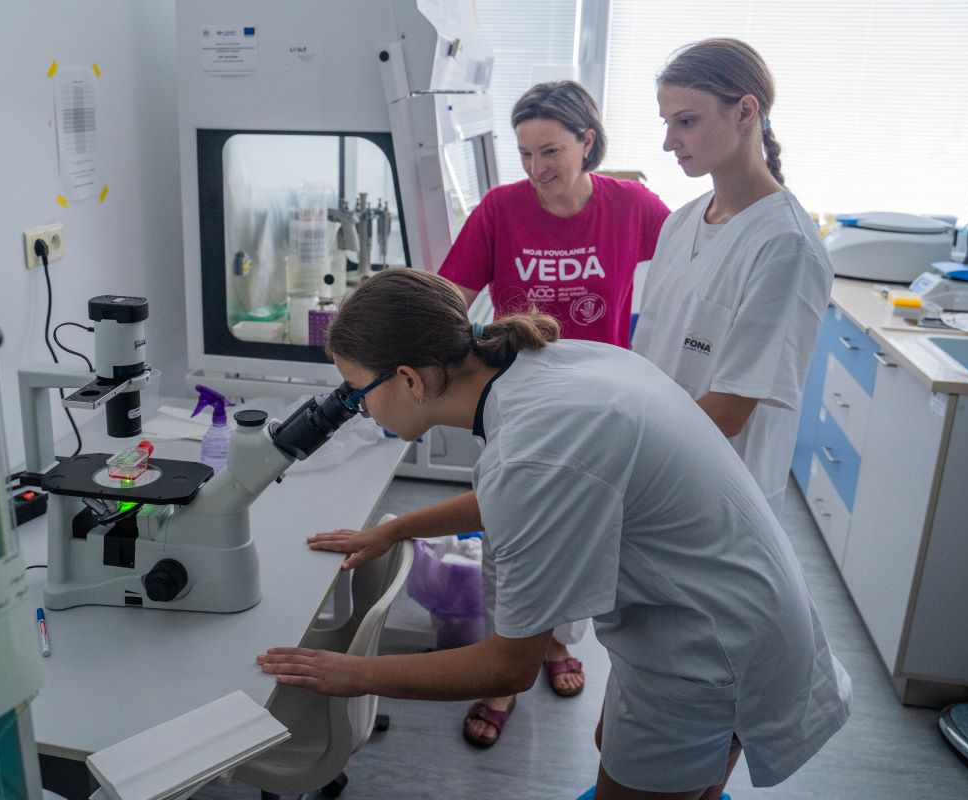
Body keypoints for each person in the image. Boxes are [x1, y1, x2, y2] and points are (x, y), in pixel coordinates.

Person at [258, 269, 851, 799]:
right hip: (738, 601)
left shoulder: (531, 451)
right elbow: (533, 495)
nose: (360, 411)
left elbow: (508, 669)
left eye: (357, 392)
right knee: (613, 744)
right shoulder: (555, 364)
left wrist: (353, 675)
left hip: (710, 653)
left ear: (410, 379)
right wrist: (397, 531)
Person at [437, 79, 670, 747]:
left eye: (550, 152)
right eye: (525, 153)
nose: (536, 169)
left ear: (587, 142)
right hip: (518, 397)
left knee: (587, 531)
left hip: (602, 403)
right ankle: (503, 667)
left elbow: (699, 263)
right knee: (508, 530)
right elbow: (449, 296)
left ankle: (557, 642)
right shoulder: (500, 209)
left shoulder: (631, 207)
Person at [632, 38, 834, 516]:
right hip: (656, 472)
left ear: (745, 111)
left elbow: (729, 410)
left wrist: (621, 450)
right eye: (667, 123)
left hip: (719, 496)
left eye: (686, 122)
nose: (669, 142)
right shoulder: (681, 223)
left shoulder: (786, 247)